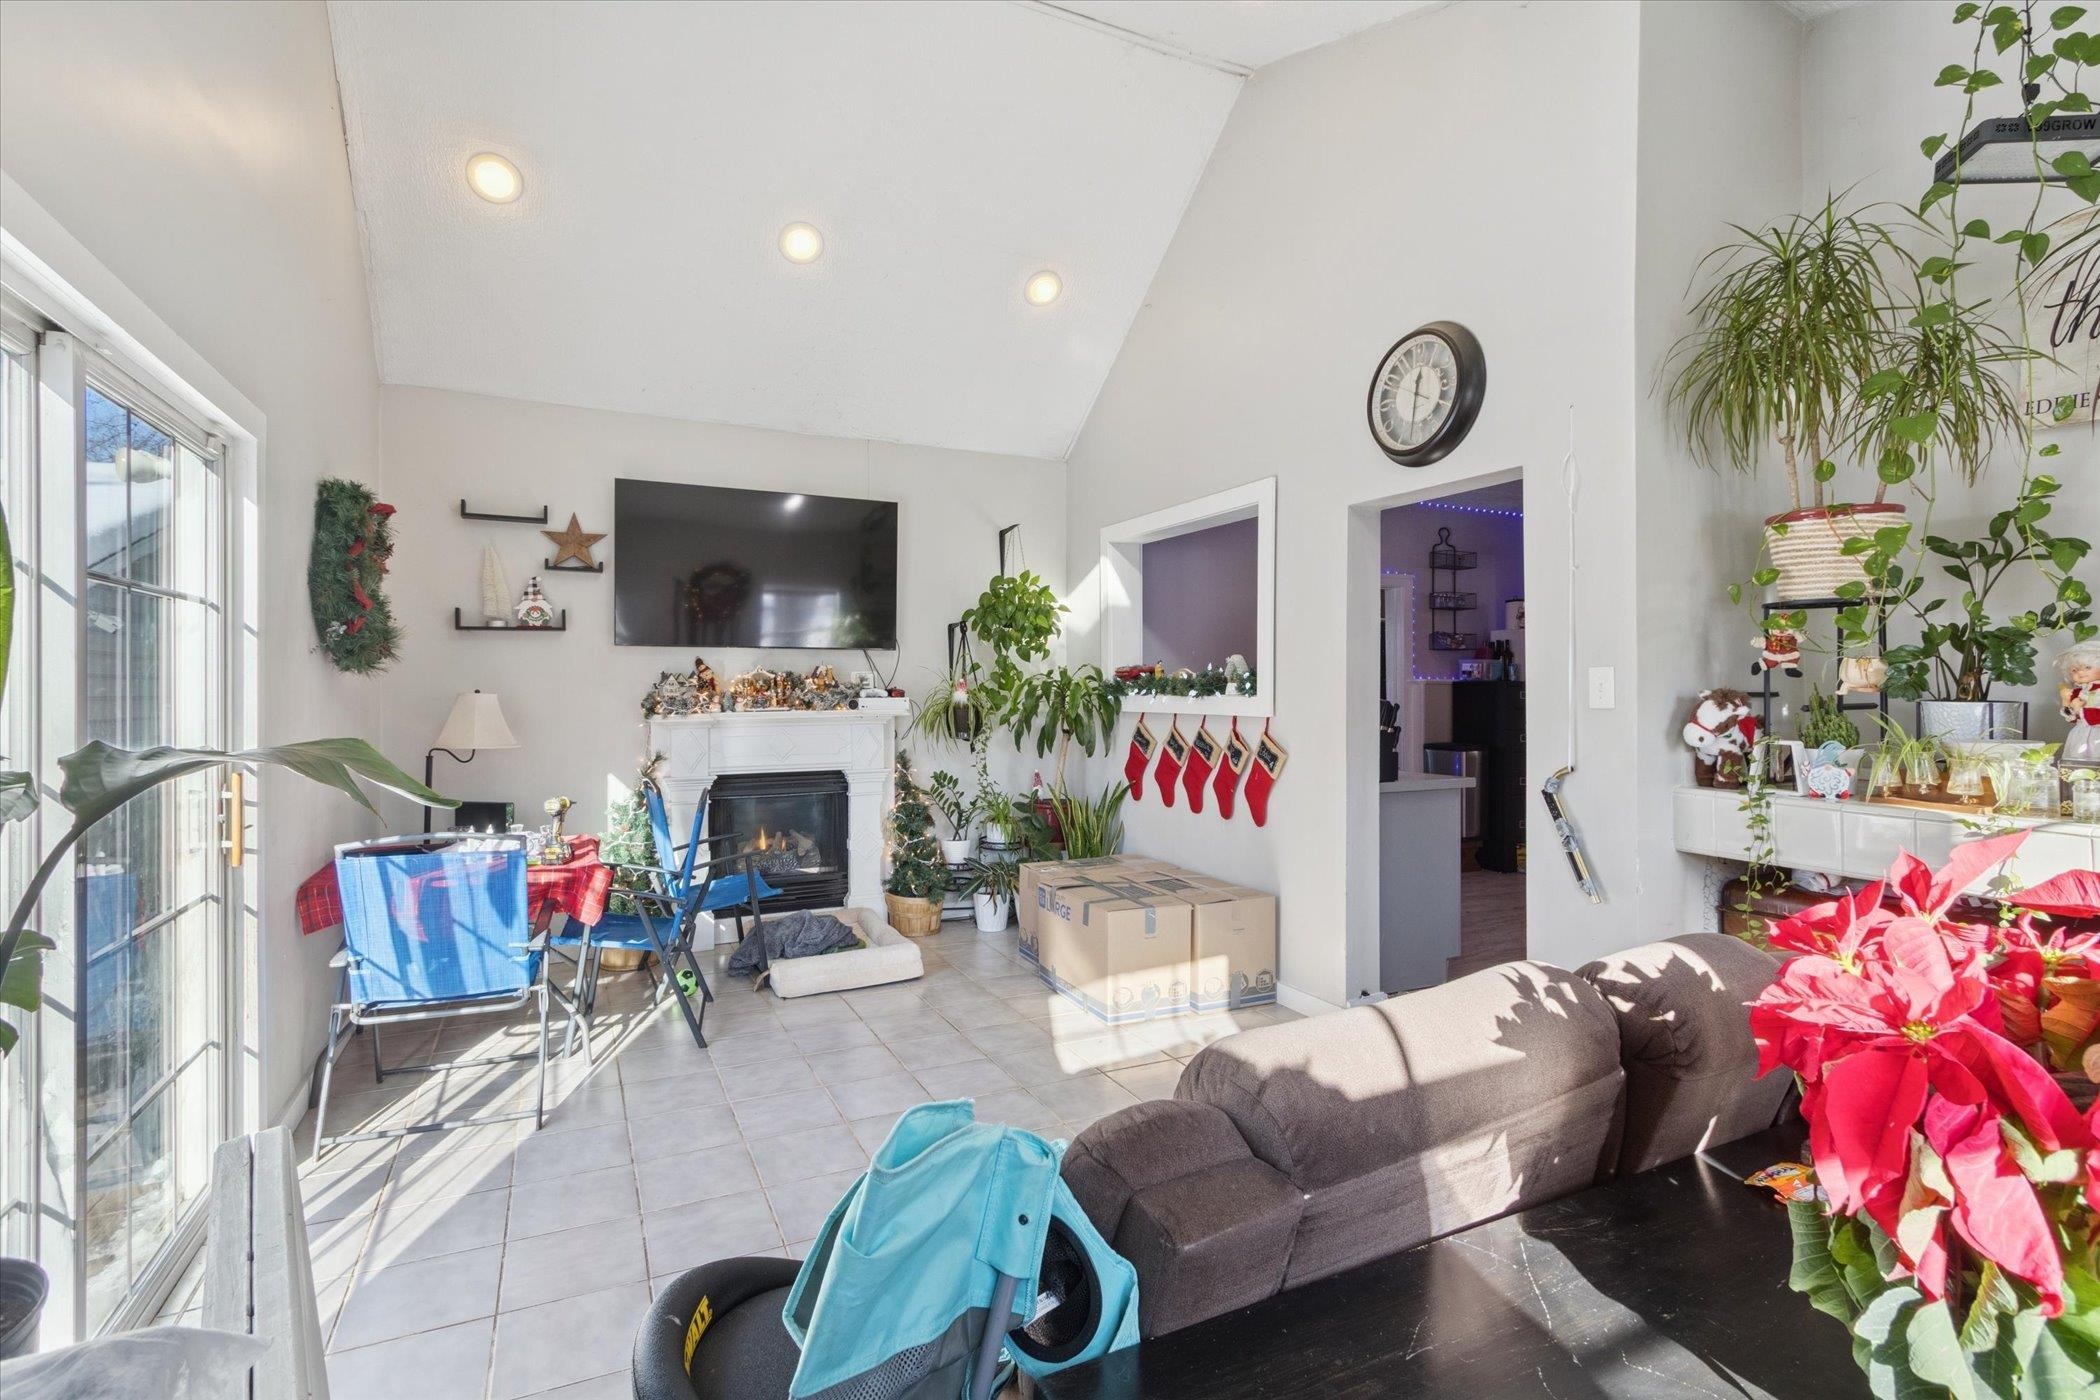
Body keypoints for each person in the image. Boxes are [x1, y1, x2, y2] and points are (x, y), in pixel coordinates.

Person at [2059, 639, 2100, 770]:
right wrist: (2066, 701)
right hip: (2080, 735)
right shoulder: (2078, 692)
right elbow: (2072, 719)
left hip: (2097, 736)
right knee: (2079, 764)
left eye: (2088, 667)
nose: (2081, 673)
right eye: (2075, 670)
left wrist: (2081, 709)